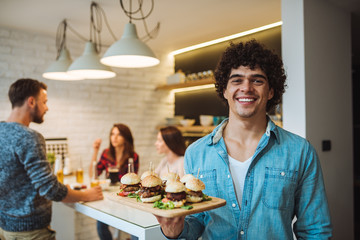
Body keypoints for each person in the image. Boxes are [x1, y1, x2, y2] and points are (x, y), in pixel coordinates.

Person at [156, 40, 332, 239]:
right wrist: (174, 231)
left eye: (257, 80)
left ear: (271, 91)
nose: (246, 88)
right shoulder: (196, 153)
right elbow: (196, 221)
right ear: (224, 90)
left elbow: (315, 231)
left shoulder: (300, 151)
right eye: (237, 80)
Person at [0, 78, 103, 240]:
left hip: (5, 228)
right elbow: (50, 189)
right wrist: (86, 194)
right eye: (45, 102)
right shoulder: (29, 137)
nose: (47, 108)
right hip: (31, 232)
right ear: (31, 102)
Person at [89, 123, 139, 240]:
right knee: (100, 225)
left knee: (134, 228)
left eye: (118, 135)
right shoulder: (106, 153)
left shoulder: (132, 157)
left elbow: (132, 180)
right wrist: (95, 151)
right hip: (109, 198)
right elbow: (93, 174)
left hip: (124, 199)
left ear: (126, 138)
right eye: (112, 134)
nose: (114, 137)